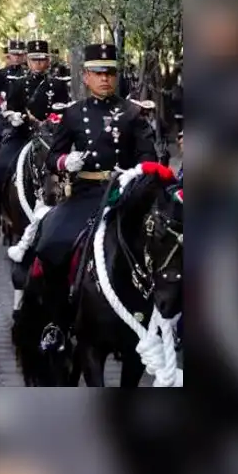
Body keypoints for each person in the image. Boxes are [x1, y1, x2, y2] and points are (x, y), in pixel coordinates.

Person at [32, 42, 156, 289]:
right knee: (51, 243)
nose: (105, 79)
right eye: (98, 74)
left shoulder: (133, 113)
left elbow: (149, 157)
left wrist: (134, 174)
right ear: (86, 77)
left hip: (124, 194)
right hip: (85, 193)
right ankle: (56, 318)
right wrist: (66, 161)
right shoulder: (74, 114)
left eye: (109, 73)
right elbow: (52, 156)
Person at [0, 39, 69, 241]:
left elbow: (65, 112)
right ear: (28, 61)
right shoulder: (19, 84)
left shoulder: (57, 86)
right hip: (23, 136)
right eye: (34, 60)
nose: (38, 63)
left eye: (42, 60)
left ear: (48, 62)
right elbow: (10, 108)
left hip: (50, 139)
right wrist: (15, 117)